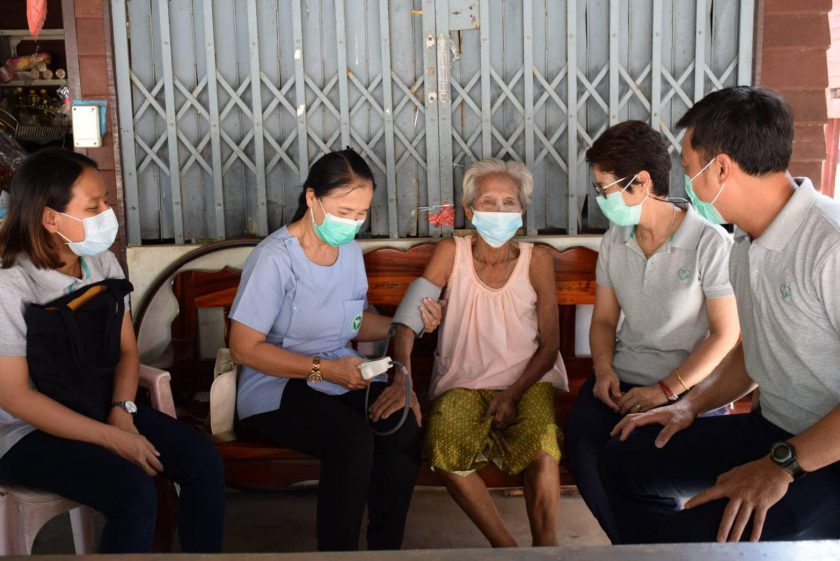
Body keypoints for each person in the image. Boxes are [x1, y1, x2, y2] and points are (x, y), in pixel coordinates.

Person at [601, 86, 840, 543]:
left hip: (825, 456)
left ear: (722, 168)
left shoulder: (829, 243)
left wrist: (782, 466)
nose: (688, 186)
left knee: (695, 535)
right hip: (772, 429)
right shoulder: (744, 246)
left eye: (689, 169)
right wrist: (688, 406)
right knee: (622, 460)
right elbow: (754, 352)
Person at [0, 148, 225, 553]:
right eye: (93, 207)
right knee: (132, 492)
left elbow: (127, 351)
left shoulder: (102, 264)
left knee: (202, 461)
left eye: (106, 201)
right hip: (25, 432)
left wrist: (122, 410)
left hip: (100, 403)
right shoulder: (11, 284)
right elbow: (15, 396)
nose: (108, 213)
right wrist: (110, 437)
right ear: (51, 218)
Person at [228, 148, 441, 551]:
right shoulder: (275, 258)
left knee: (400, 425)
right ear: (312, 198)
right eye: (344, 212)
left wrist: (409, 322)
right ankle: (337, 554)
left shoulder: (349, 254)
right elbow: (243, 348)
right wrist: (324, 370)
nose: (353, 223)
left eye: (361, 214)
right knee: (352, 439)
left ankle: (385, 551)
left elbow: (356, 324)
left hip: (343, 374)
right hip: (276, 386)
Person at [563, 121, 740, 543]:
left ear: (641, 182)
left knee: (634, 461)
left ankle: (648, 548)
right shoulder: (615, 240)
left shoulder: (710, 243)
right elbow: (604, 321)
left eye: (604, 188)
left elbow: (725, 335)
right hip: (622, 383)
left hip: (688, 390)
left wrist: (665, 390)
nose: (600, 198)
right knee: (583, 450)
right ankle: (638, 548)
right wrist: (604, 371)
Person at [388, 159, 567, 547]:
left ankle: (547, 550)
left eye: (509, 202)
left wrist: (513, 394)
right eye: (488, 202)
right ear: (469, 211)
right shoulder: (451, 252)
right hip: (463, 382)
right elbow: (406, 323)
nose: (499, 211)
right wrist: (402, 379)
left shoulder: (537, 260)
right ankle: (506, 548)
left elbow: (550, 345)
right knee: (442, 443)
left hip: (527, 381)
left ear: (522, 210)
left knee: (543, 446)